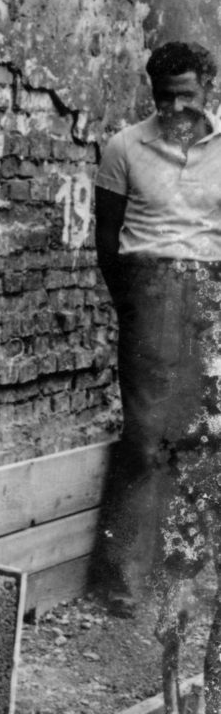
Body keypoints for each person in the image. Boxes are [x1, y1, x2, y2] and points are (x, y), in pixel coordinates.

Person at [93, 41, 221, 629]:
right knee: (146, 436)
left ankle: (180, 575)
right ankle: (122, 579)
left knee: (197, 433)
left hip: (210, 291)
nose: (175, 107)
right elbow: (107, 240)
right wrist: (136, 302)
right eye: (164, 96)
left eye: (186, 95)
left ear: (209, 89)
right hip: (149, 286)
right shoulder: (125, 146)